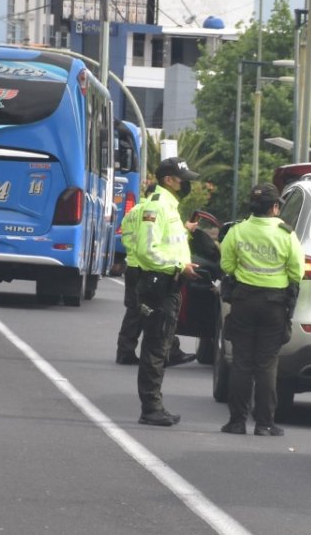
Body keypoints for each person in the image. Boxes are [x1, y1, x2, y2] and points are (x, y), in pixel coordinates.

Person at [219, 183, 304, 437]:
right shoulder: (286, 234)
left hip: (243, 301)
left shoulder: (237, 231)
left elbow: (226, 264)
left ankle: (236, 422)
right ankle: (265, 424)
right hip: (274, 305)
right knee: (266, 365)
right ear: (275, 207)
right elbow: (297, 271)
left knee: (242, 362)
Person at [131, 157, 201, 426]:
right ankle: (150, 408)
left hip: (170, 283)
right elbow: (146, 250)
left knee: (160, 348)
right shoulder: (157, 208)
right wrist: (177, 266)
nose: (187, 184)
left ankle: (154, 405)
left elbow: (169, 242)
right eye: (184, 179)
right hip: (158, 284)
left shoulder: (171, 208)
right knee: (155, 348)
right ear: (169, 180)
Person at [115, 183, 196, 367]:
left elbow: (126, 237)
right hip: (148, 266)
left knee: (134, 310)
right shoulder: (154, 209)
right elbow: (159, 239)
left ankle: (126, 350)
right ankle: (162, 353)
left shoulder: (133, 211)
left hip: (133, 263)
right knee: (156, 313)